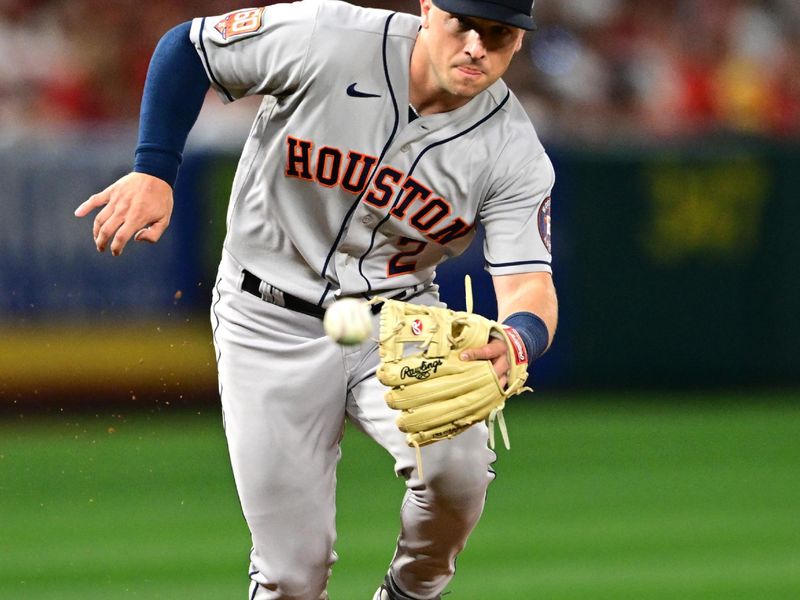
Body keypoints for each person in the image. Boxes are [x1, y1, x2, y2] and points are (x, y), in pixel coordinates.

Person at [75, 0, 558, 598]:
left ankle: (414, 589)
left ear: (518, 43)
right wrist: (153, 168)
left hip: (398, 319)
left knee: (459, 466)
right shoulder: (327, 37)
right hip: (267, 316)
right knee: (292, 574)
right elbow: (188, 48)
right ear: (428, 11)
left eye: (499, 34)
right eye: (465, 23)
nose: (478, 47)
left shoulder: (513, 150)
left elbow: (530, 284)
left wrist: (519, 337)